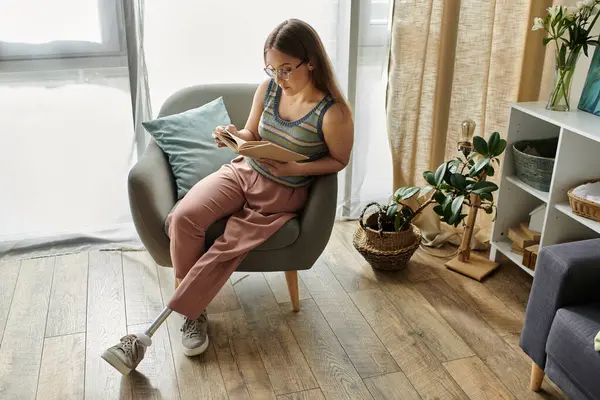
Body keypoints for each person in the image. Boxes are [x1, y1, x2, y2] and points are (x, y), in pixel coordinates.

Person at [101, 18, 354, 375]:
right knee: (183, 218)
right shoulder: (268, 89)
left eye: (286, 69)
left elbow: (339, 160)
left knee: (226, 246)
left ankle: (188, 316)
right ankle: (195, 312)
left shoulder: (333, 112)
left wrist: (295, 169)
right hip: (243, 171)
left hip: (281, 194)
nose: (278, 77)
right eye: (271, 67)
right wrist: (234, 135)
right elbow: (251, 131)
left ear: (310, 62)